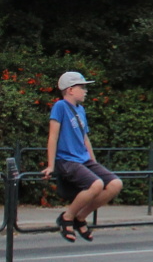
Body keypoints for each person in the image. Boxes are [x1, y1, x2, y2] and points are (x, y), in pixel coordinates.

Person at [40, 71, 123, 242]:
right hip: (67, 159)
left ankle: (80, 217)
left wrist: (92, 162)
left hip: (82, 159)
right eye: (82, 87)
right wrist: (51, 165)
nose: (85, 91)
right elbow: (53, 136)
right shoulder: (60, 106)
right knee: (96, 184)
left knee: (115, 184)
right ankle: (67, 217)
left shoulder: (81, 110)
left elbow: (85, 138)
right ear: (70, 90)